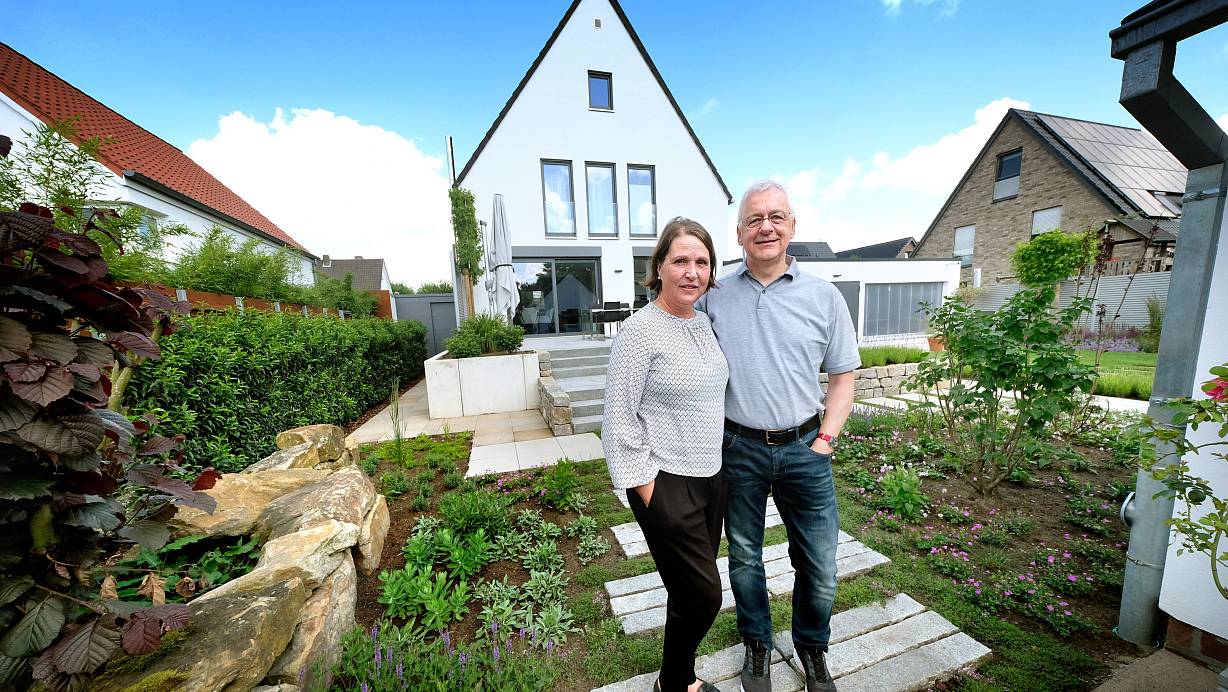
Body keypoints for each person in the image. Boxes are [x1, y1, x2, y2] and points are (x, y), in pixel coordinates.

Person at [695, 181, 860, 692]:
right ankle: (757, 643)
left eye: (776, 217)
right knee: (745, 556)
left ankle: (812, 647)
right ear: (738, 232)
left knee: (820, 561)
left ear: (792, 226)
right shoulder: (714, 295)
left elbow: (843, 377)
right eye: (754, 219)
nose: (765, 226)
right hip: (738, 447)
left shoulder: (824, 296)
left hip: (806, 448)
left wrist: (825, 440)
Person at [603, 218, 728, 692]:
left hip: (711, 478)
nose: (692, 272)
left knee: (685, 590)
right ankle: (675, 681)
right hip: (665, 480)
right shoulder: (640, 332)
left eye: (702, 262)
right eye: (680, 261)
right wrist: (649, 490)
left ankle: (678, 682)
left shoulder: (705, 324)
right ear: (659, 267)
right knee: (706, 595)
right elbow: (618, 420)